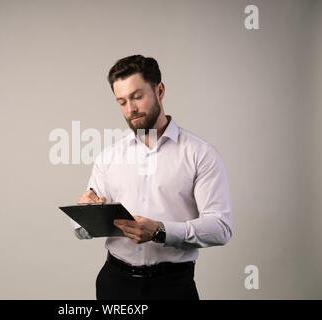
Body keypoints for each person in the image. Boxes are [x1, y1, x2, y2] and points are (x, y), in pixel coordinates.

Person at [72, 55, 233, 300]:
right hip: (114, 284)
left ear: (160, 90)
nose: (130, 109)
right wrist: (85, 214)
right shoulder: (109, 156)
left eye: (137, 97)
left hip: (173, 287)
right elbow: (81, 230)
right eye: (122, 101)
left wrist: (161, 231)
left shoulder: (201, 154)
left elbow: (221, 228)